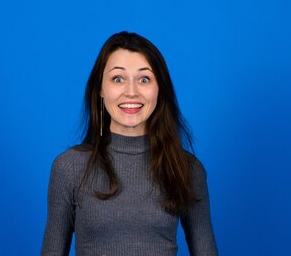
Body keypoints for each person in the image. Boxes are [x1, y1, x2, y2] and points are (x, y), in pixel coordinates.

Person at [41, 31, 217, 255]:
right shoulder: (69, 168)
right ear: (101, 91)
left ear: (159, 90)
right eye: (118, 79)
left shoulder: (187, 169)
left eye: (144, 79)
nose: (131, 92)